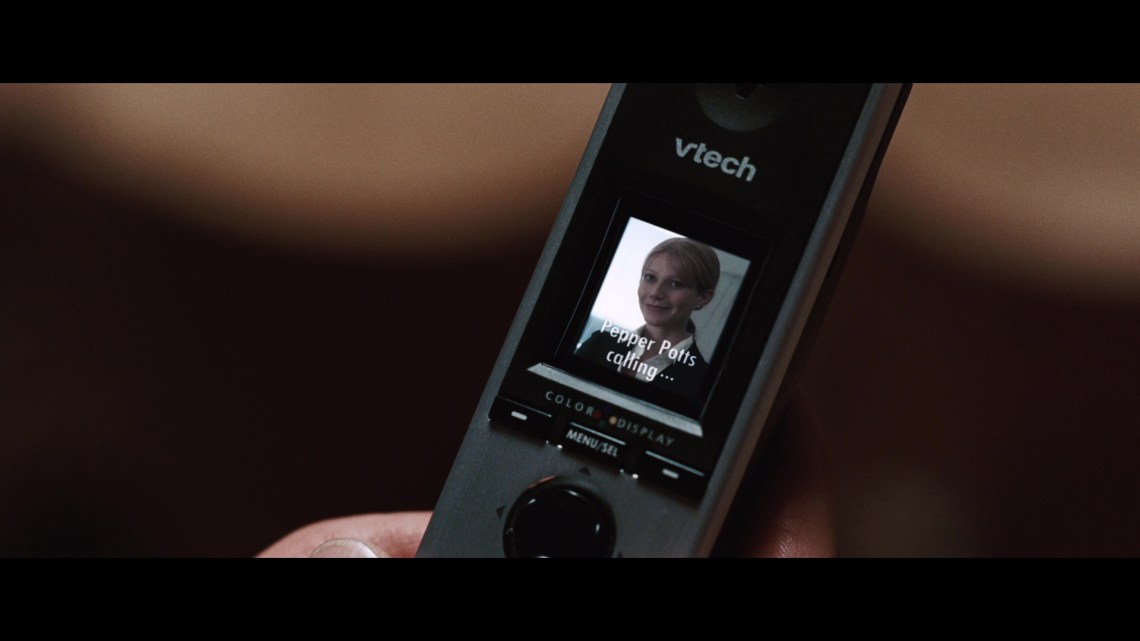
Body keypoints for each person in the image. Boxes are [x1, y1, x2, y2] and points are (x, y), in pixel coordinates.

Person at [574, 238, 720, 398]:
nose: (655, 293)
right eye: (650, 277)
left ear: (703, 297)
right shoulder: (598, 343)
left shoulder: (705, 383)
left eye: (675, 284)